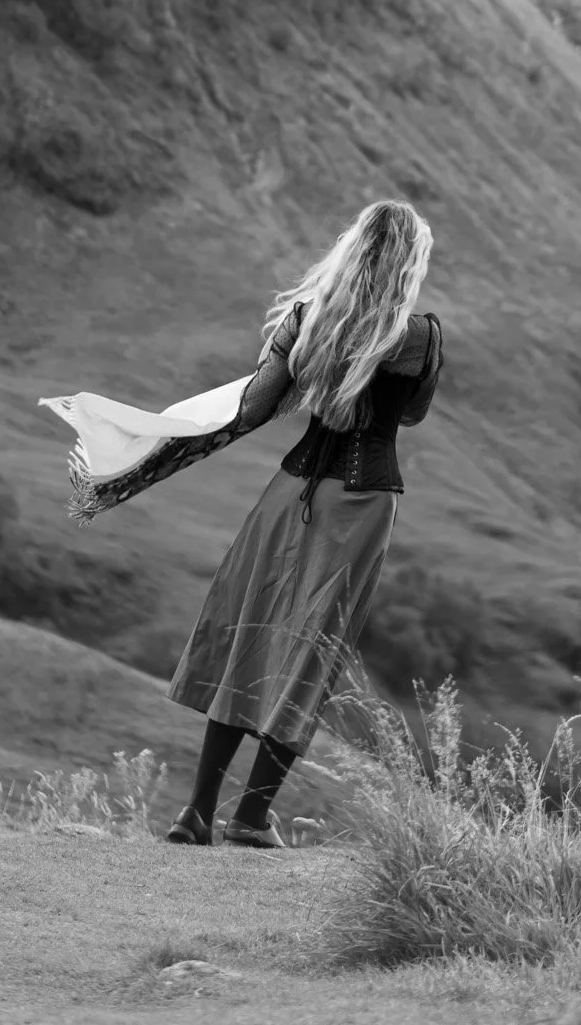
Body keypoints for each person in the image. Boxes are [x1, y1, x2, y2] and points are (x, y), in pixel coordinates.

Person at [161, 197, 443, 848]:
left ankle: (196, 812)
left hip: (288, 493)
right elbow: (412, 415)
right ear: (408, 264)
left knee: (248, 633)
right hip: (362, 502)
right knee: (310, 649)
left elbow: (254, 407)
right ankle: (252, 818)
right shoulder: (421, 337)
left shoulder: (306, 319)